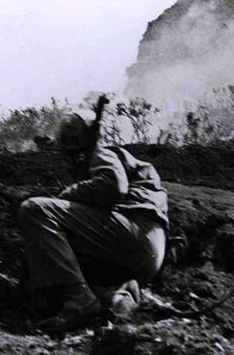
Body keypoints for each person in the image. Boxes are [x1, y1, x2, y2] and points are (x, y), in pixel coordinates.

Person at [17, 112, 168, 331]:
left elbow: (114, 185)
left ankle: (81, 299)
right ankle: (117, 296)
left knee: (34, 210)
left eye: (72, 152)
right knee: (64, 263)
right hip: (147, 252)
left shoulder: (101, 153)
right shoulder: (107, 161)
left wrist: (67, 195)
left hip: (133, 230)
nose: (69, 160)